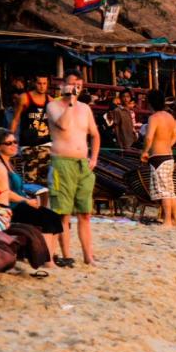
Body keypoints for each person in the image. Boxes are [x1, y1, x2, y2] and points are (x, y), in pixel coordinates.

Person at [0, 128, 63, 267]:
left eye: (15, 141)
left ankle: (50, 257)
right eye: (9, 143)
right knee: (48, 219)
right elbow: (3, 192)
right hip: (11, 207)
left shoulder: (8, 163)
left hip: (19, 203)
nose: (14, 145)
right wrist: (26, 201)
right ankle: (46, 261)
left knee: (55, 218)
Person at [46, 76, 100, 266]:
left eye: (79, 84)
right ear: (62, 85)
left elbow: (94, 134)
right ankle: (65, 254)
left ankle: (88, 256)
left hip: (82, 165)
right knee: (63, 212)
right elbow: (64, 125)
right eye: (72, 83)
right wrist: (70, 101)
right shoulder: (54, 106)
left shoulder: (85, 108)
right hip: (61, 163)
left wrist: (94, 158)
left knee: (85, 213)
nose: (76, 87)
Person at [140, 91, 176, 228]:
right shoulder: (170, 117)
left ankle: (168, 220)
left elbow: (149, 137)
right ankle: (175, 219)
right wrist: (166, 145)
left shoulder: (154, 118)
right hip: (169, 156)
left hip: (158, 157)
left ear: (150, 103)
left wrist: (145, 151)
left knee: (164, 191)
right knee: (170, 189)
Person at [10, 74, 53, 185]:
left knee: (46, 182)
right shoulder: (24, 98)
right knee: (30, 180)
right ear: (34, 83)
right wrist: (11, 139)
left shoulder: (51, 101)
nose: (42, 86)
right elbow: (15, 119)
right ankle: (31, 202)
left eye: (44, 83)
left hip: (46, 144)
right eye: (39, 83)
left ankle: (43, 202)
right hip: (28, 145)